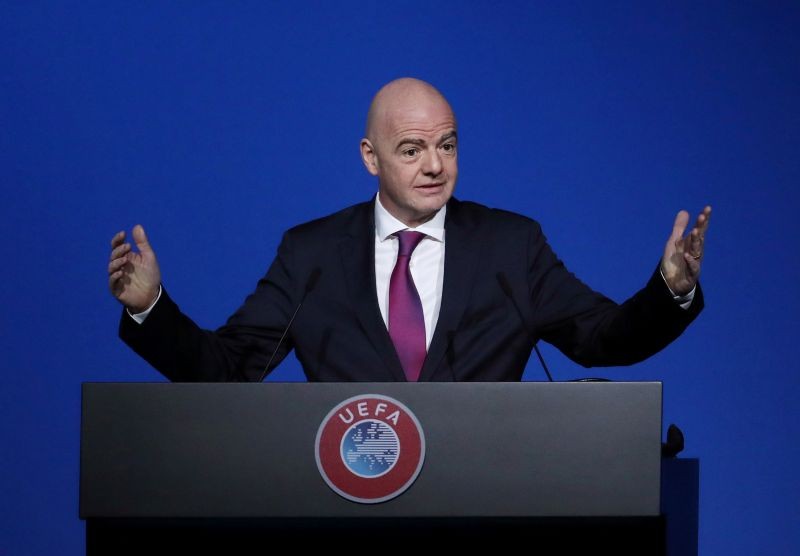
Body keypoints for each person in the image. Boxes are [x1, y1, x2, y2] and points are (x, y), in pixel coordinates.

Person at [108, 78, 711, 383]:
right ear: (370, 157)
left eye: (447, 145)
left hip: (489, 508)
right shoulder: (311, 253)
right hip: (348, 510)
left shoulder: (511, 246)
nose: (434, 165)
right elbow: (234, 367)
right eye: (412, 149)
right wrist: (151, 308)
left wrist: (671, 288)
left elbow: (603, 337)